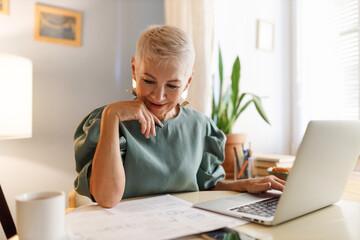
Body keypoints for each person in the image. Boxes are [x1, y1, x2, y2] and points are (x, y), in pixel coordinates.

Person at [74, 25, 285, 208]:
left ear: (188, 81)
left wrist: (245, 184)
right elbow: (107, 198)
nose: (158, 95)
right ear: (134, 70)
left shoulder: (201, 127)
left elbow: (207, 186)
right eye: (148, 81)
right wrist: (111, 115)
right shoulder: (107, 121)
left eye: (173, 85)